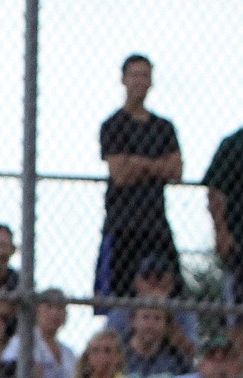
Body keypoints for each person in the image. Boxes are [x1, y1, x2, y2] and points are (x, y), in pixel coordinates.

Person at [94, 54, 182, 302]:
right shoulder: (113, 124)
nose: (140, 81)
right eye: (135, 75)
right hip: (122, 224)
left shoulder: (163, 127)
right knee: (119, 299)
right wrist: (156, 165)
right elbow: (120, 174)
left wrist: (136, 162)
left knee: (171, 297)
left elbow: (175, 171)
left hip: (156, 223)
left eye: (145, 75)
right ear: (123, 80)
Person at [106, 254, 196, 361]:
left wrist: (167, 319)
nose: (153, 282)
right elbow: (107, 346)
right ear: (137, 283)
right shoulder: (121, 311)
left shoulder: (182, 310)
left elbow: (192, 352)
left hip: (171, 366)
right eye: (146, 276)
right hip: (128, 364)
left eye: (159, 276)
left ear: (171, 283)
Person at [203, 127, 243, 365]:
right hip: (240, 247)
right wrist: (221, 231)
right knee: (238, 319)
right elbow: (215, 190)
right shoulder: (235, 144)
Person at [2, 287, 76, 378]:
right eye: (49, 307)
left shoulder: (68, 353)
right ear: (37, 311)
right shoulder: (24, 342)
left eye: (60, 308)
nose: (55, 313)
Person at [123, 304, 191, 378]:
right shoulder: (118, 355)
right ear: (133, 321)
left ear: (166, 325)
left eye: (157, 318)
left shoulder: (178, 359)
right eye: (145, 317)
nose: (151, 325)